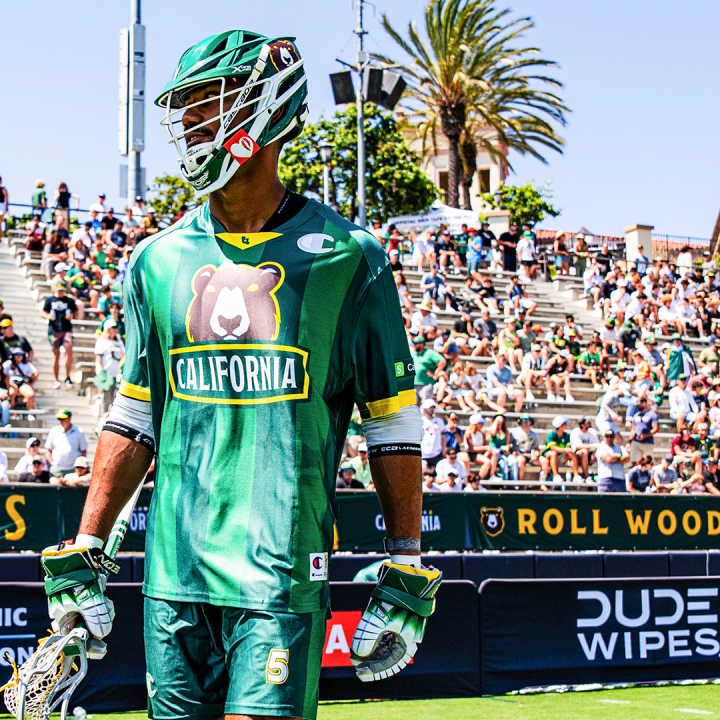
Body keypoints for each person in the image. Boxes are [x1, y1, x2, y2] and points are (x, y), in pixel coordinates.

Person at [43, 33, 437, 720]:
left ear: (268, 109)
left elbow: (392, 421)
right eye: (186, 108)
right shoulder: (155, 261)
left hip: (279, 573)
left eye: (208, 104)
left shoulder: (352, 258)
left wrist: (404, 561)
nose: (191, 124)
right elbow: (133, 416)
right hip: (173, 574)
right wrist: (87, 546)